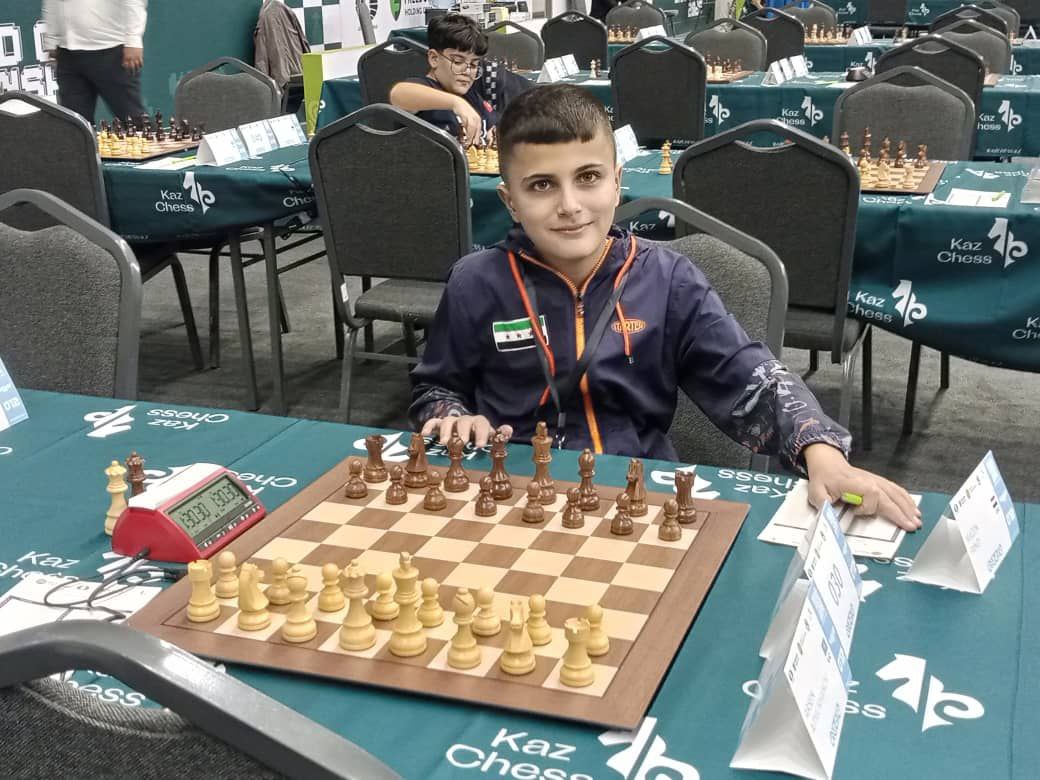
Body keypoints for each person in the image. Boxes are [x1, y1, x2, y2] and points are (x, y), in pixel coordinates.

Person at [408, 84, 921, 531]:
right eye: (542, 185)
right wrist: (451, 416)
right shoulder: (475, 281)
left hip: (638, 493)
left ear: (616, 181)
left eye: (588, 177)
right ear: (510, 201)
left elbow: (752, 378)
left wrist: (821, 451)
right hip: (510, 490)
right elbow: (436, 387)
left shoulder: (669, 279)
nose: (569, 205)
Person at [388, 13, 496, 147]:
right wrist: (456, 103)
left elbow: (491, 128)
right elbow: (399, 94)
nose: (467, 71)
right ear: (434, 58)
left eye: (474, 64)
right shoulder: (425, 88)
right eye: (457, 62)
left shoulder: (472, 97)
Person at [42, 0, 148, 123]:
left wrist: (133, 38)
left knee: (133, 119)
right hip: (67, 52)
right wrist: (51, 39)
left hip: (111, 50)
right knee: (75, 125)